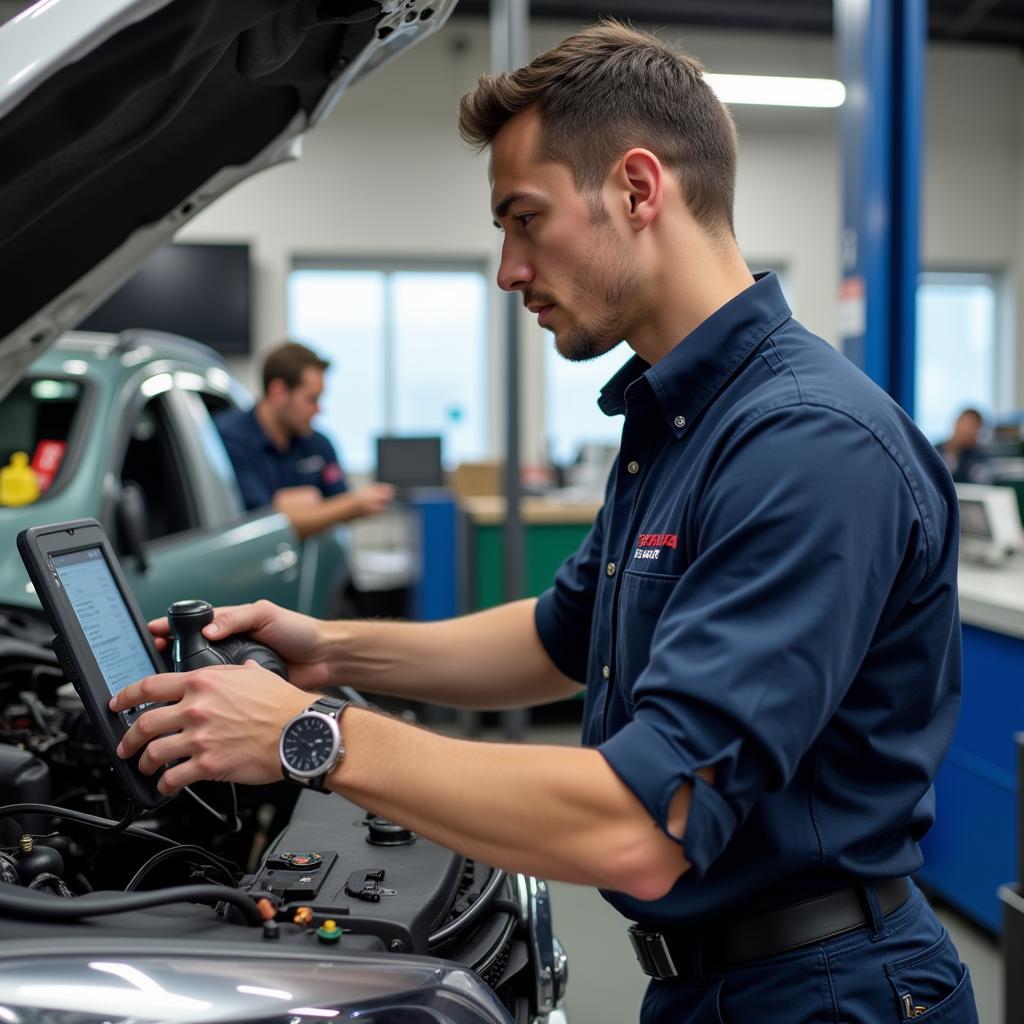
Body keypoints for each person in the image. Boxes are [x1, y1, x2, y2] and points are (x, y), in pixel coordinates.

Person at [112, 22, 977, 1023]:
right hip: (718, 981)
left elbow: (639, 825)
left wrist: (314, 736)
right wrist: (323, 649)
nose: (507, 269)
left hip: (827, 992)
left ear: (638, 189)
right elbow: (555, 637)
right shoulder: (678, 420)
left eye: (524, 219)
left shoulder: (805, 446)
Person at [215, 341, 394, 539]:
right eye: (311, 399)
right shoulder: (227, 438)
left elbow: (337, 501)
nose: (319, 410)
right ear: (279, 392)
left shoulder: (318, 444)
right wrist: (351, 505)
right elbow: (261, 525)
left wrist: (288, 506)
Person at [937, 406, 991, 483]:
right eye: (966, 424)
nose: (969, 431)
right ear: (956, 423)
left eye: (974, 427)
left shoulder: (979, 458)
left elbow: (981, 485)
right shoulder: (935, 452)